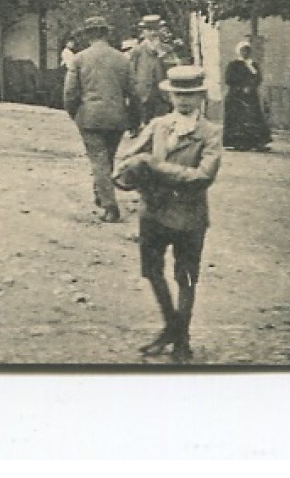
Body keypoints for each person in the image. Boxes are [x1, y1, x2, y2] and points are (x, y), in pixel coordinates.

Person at [113, 65, 223, 363]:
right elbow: (128, 156)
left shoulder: (210, 134)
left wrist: (156, 167)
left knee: (185, 277)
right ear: (170, 95)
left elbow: (203, 176)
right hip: (154, 212)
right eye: (179, 95)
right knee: (151, 271)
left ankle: (181, 340)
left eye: (191, 96)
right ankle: (173, 327)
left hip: (189, 215)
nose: (184, 102)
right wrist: (128, 172)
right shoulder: (158, 125)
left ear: (201, 96)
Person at [63, 15, 139, 223]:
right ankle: (101, 194)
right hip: (117, 117)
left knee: (99, 161)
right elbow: (134, 93)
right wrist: (135, 121)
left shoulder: (79, 59)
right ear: (106, 34)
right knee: (108, 159)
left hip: (91, 117)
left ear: (88, 36)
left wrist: (74, 113)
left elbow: (70, 92)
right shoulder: (123, 59)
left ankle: (110, 206)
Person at [222, 41, 273, 151]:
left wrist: (251, 86)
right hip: (236, 95)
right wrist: (241, 87)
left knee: (253, 117)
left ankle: (256, 142)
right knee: (238, 118)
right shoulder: (233, 64)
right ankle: (239, 143)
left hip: (250, 95)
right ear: (239, 51)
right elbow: (229, 78)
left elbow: (258, 77)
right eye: (243, 50)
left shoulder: (253, 65)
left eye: (247, 50)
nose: (245, 53)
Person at [128, 15, 176, 127]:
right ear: (143, 32)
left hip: (163, 95)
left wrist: (161, 54)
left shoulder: (167, 49)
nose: (153, 33)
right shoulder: (137, 51)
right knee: (146, 126)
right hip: (144, 95)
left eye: (156, 29)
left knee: (163, 125)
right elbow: (132, 72)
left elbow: (173, 69)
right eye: (149, 30)